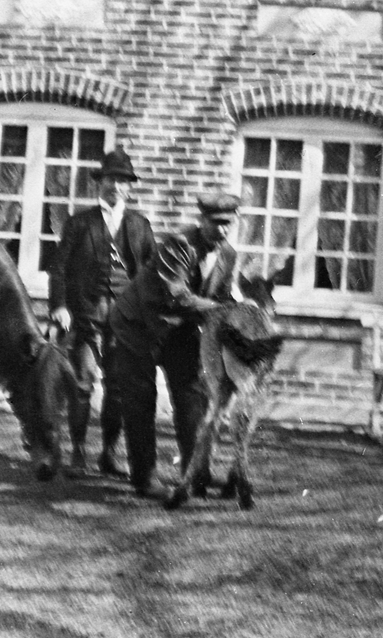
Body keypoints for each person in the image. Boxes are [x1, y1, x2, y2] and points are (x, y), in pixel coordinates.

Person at [105, 190, 242, 501]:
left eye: (228, 223)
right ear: (202, 220)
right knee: (141, 400)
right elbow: (177, 295)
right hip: (137, 327)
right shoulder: (179, 244)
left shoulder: (228, 255)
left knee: (193, 397)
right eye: (216, 223)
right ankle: (144, 478)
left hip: (178, 331)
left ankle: (196, 474)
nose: (222, 230)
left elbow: (222, 298)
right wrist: (221, 311)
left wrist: (239, 311)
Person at [48, 148, 155, 478]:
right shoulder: (80, 223)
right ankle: (78, 451)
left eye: (122, 181)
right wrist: (60, 306)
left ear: (129, 188)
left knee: (118, 387)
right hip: (86, 317)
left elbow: (151, 276)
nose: (115, 186)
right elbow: (59, 269)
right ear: (100, 184)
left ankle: (109, 452)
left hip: (124, 322)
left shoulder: (139, 226)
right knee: (82, 384)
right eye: (110, 179)